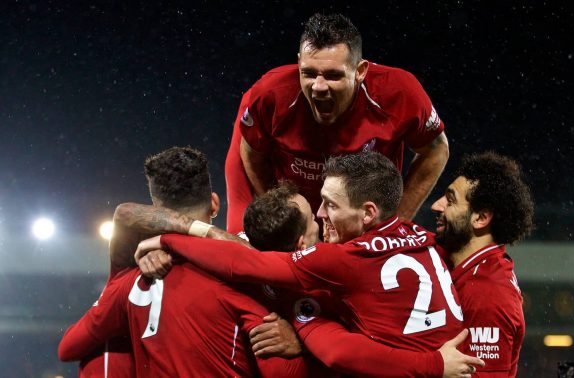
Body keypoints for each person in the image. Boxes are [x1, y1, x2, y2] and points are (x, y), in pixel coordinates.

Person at [138, 152, 466, 361]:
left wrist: (169, 240)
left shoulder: (340, 260)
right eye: (318, 206)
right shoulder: (425, 238)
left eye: (331, 205)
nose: (322, 214)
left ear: (368, 213)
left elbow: (242, 263)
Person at [58, 147, 304, 376]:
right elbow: (282, 369)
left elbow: (67, 348)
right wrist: (301, 338)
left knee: (101, 353)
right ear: (215, 204)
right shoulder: (244, 269)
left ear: (156, 211)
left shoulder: (131, 277)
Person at [225, 13, 449, 233]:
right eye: (309, 73)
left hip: (362, 211)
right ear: (298, 64)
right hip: (296, 200)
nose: (319, 87)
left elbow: (436, 150)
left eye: (333, 76)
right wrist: (282, 214)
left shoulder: (400, 94)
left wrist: (394, 224)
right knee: (239, 238)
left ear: (360, 72)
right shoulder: (270, 95)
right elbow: (252, 152)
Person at [430, 151, 534, 377]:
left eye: (450, 200)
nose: (436, 206)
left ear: (480, 218)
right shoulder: (464, 265)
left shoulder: (489, 293)